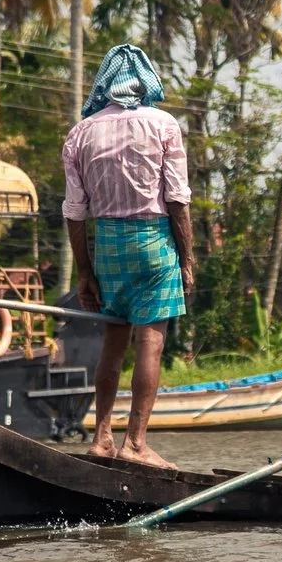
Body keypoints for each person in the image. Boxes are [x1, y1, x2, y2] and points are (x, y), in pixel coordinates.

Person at [62, 44, 196, 468]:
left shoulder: (81, 133)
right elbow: (177, 200)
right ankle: (135, 443)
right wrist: (187, 259)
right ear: (144, 84)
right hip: (154, 241)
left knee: (113, 342)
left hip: (107, 245)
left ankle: (101, 438)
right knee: (150, 343)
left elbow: (75, 212)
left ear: (104, 85)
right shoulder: (163, 124)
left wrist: (85, 272)